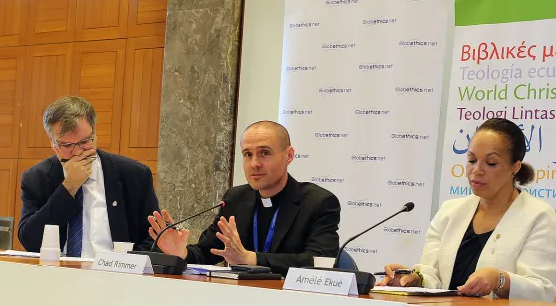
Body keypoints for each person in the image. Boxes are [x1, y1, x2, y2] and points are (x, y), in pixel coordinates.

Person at [378, 118, 556, 302]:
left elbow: (545, 292)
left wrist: (500, 280)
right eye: (472, 160)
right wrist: (414, 280)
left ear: (515, 167)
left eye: (491, 163)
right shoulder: (449, 212)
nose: (476, 170)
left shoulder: (539, 217)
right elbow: (433, 278)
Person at [149, 121, 341, 275]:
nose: (254, 164)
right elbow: (209, 251)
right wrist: (181, 254)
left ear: (289, 155)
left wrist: (251, 259)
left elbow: (320, 261)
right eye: (248, 155)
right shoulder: (235, 198)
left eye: (264, 153)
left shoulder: (319, 202)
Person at [19, 96, 159, 257]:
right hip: (57, 275)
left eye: (85, 141)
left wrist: (125, 267)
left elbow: (155, 238)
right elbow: (30, 241)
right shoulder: (36, 179)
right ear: (53, 142)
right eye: (67, 145)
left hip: (116, 276)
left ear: (95, 133)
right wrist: (69, 187)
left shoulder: (134, 175)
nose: (78, 151)